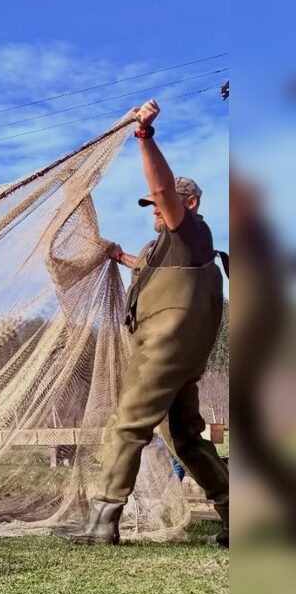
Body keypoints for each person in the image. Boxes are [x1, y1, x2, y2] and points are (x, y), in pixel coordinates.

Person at [68, 99, 229, 546]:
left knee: (128, 423)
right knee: (185, 437)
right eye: (152, 207)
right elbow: (147, 267)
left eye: (161, 205)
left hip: (164, 349)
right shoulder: (167, 247)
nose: (155, 211)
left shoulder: (191, 232)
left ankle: (102, 521)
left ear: (189, 202)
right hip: (179, 354)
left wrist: (144, 135)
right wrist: (117, 256)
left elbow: (162, 191)